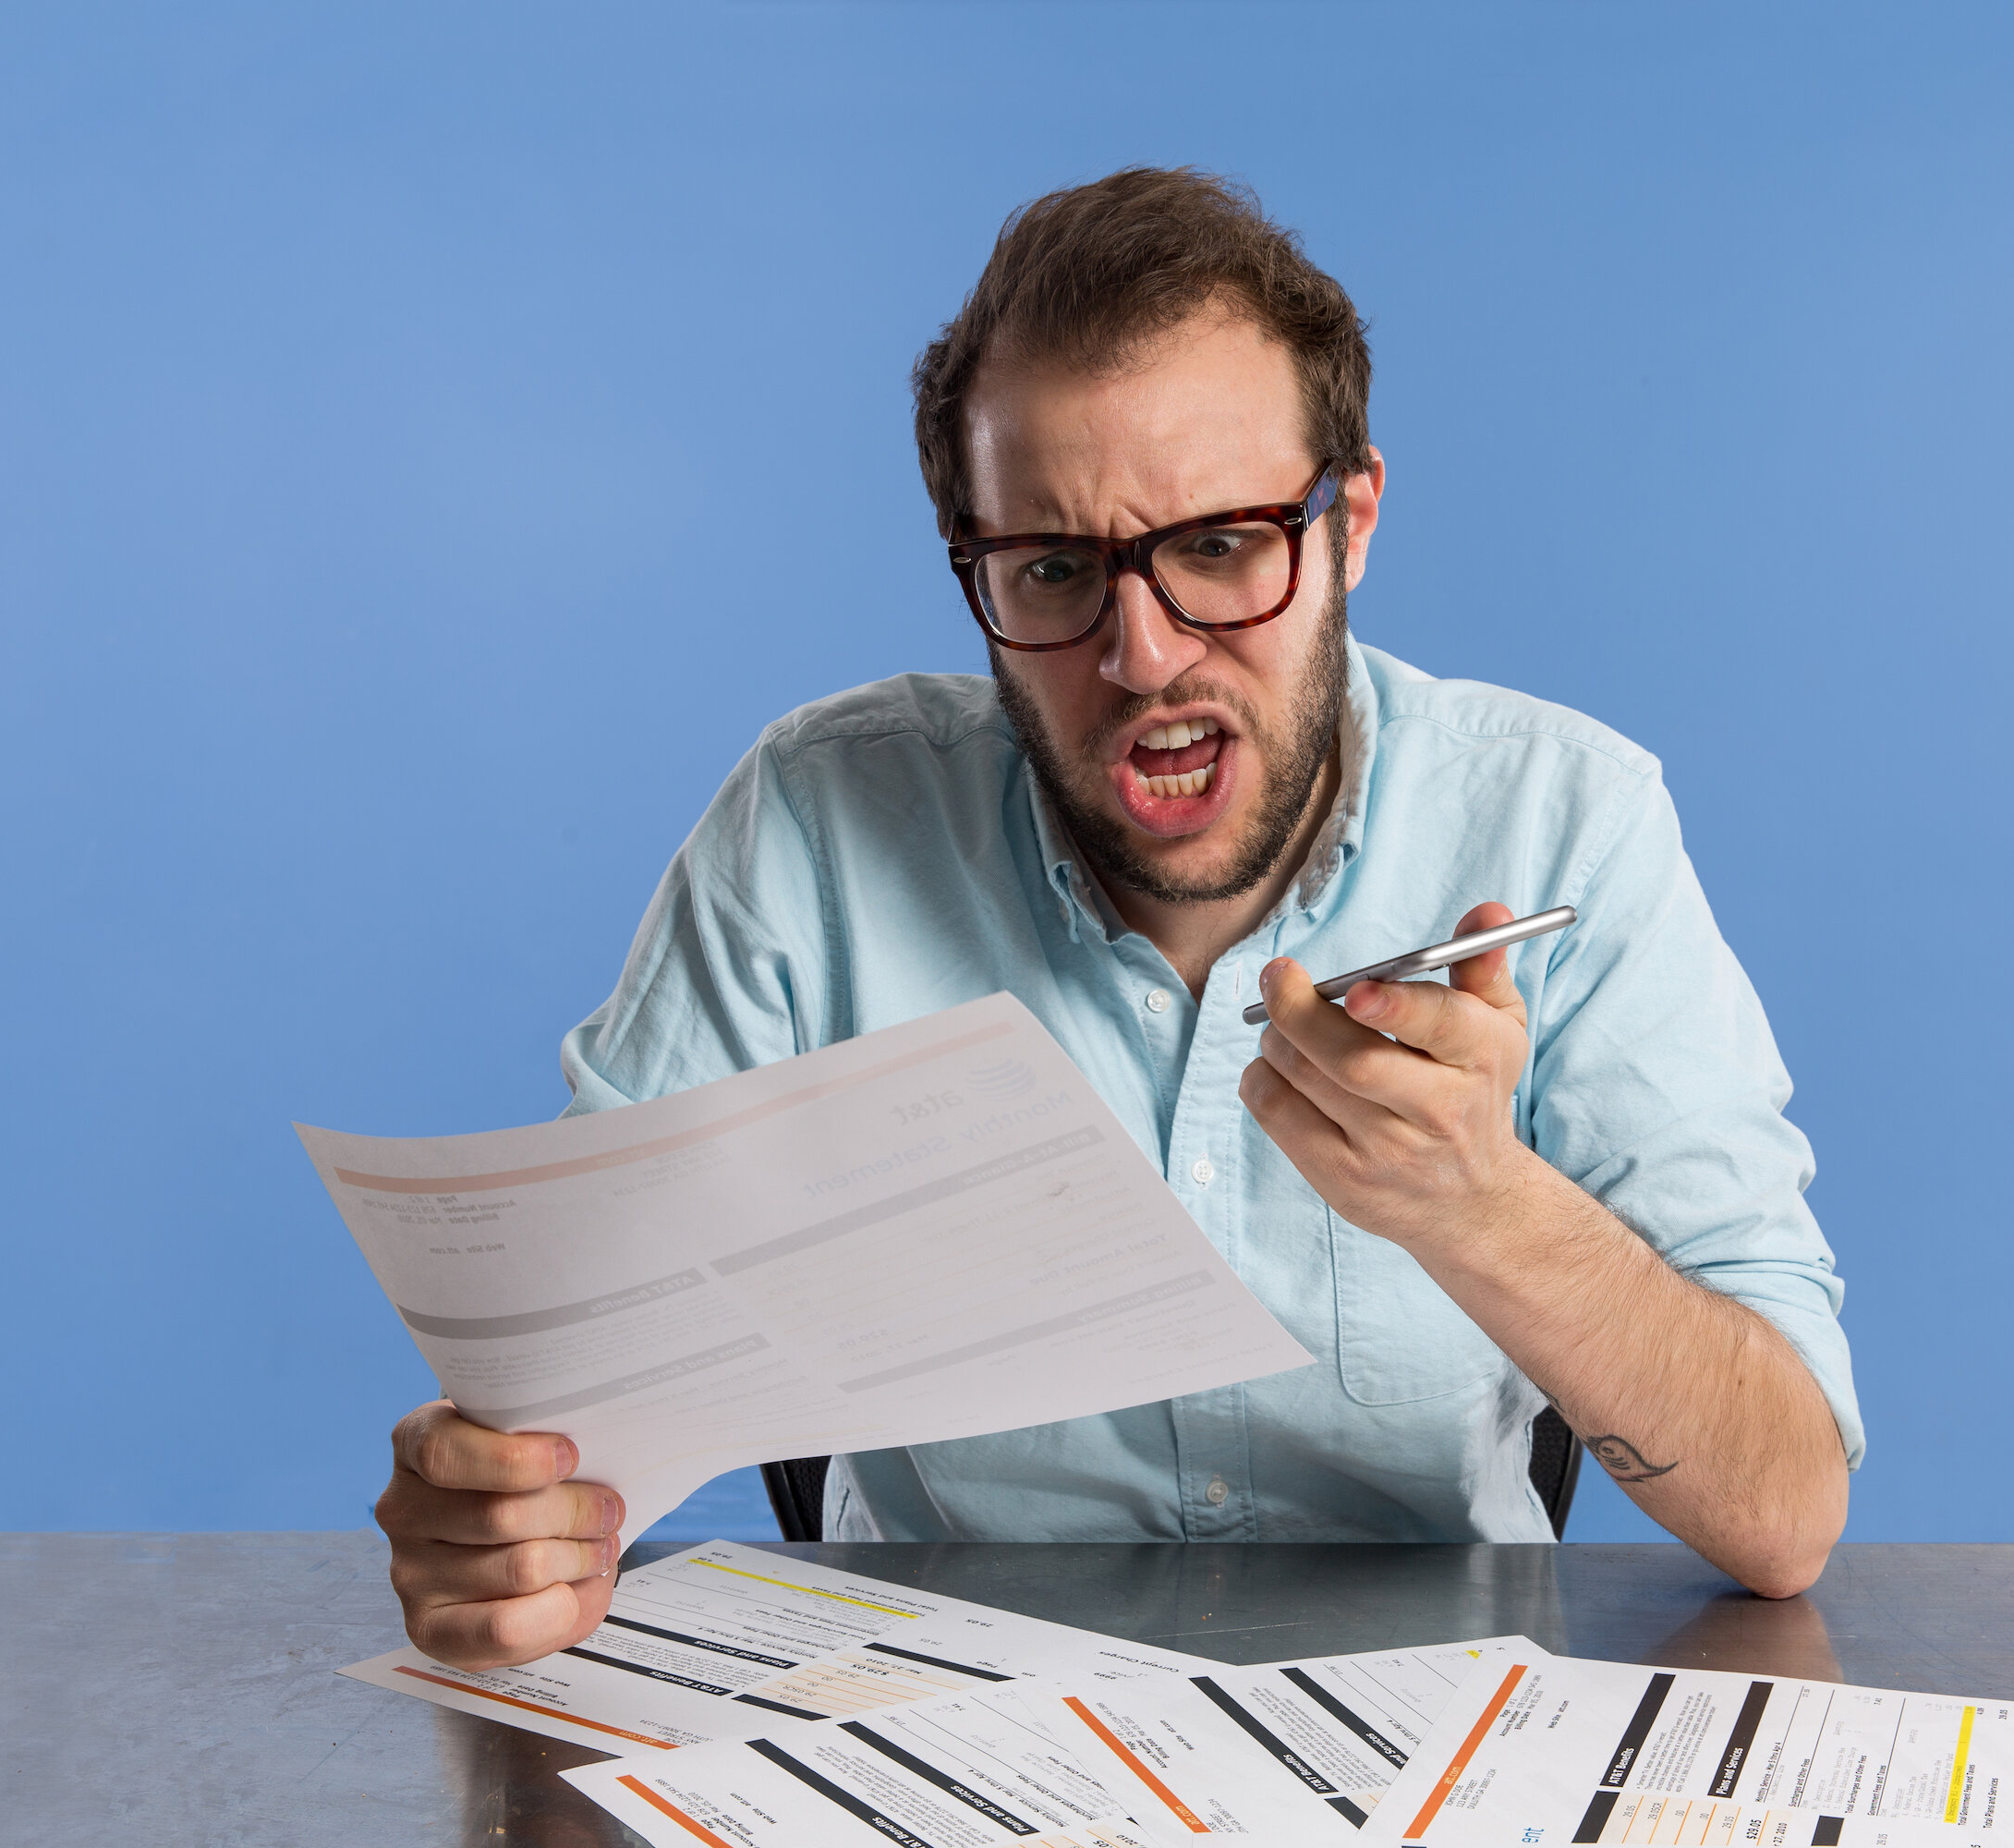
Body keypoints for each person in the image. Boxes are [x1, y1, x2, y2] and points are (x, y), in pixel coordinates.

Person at [376, 169, 1862, 1671]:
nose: (1143, 656)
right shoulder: (816, 828)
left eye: (1219, 546)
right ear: (977, 564)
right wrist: (508, 1520)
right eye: (1055, 570)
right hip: (918, 1729)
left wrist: (1486, 1206)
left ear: (1348, 525)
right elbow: (567, 1395)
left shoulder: (1565, 820)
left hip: (1425, 1739)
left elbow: (1785, 1514)